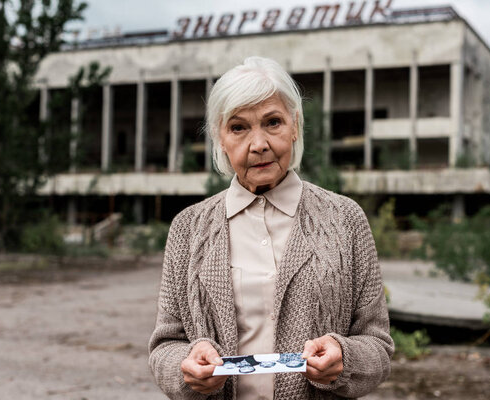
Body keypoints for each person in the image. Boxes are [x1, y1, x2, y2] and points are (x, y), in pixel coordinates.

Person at [149, 56, 393, 400]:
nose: (258, 143)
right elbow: (165, 345)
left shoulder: (345, 219)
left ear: (295, 125)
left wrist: (345, 358)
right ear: (220, 138)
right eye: (238, 128)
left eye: (272, 122)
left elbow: (378, 346)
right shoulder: (188, 228)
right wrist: (185, 368)